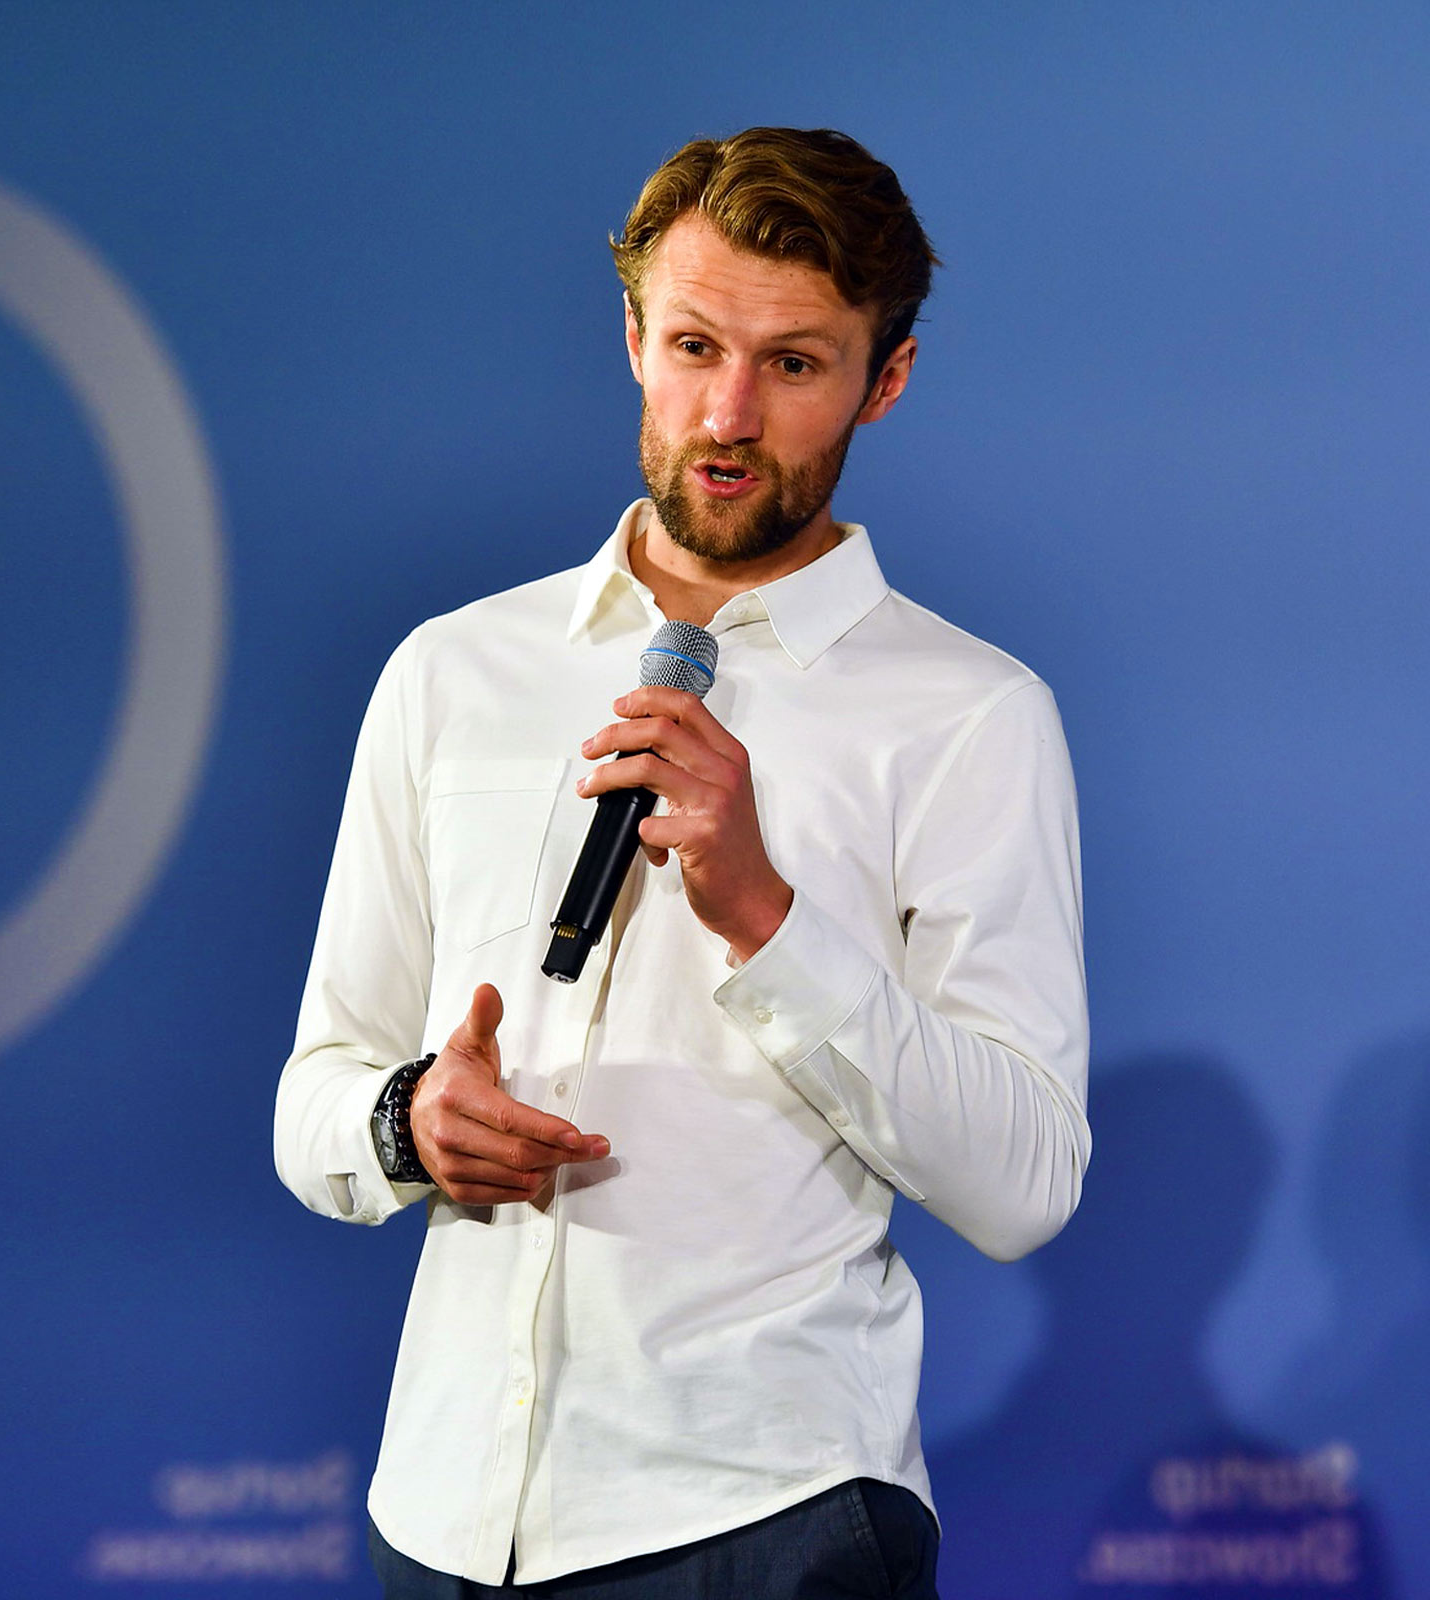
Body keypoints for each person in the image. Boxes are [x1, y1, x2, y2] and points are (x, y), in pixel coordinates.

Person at [275, 126, 1090, 1600]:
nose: (726, 413)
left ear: (883, 381)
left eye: (794, 364)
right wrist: (410, 1121)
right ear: (634, 337)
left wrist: (766, 915)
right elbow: (316, 1093)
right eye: (696, 344)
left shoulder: (969, 714)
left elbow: (1025, 1180)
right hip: (445, 1515)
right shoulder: (453, 671)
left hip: (764, 1520)